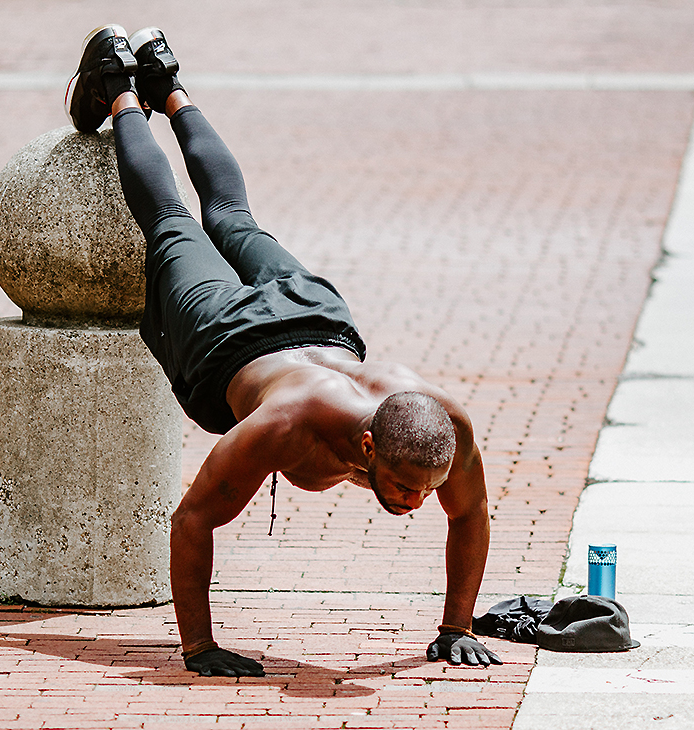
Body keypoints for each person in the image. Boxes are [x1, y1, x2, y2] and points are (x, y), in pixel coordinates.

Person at [65, 24, 501, 677]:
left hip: (316, 317)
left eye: (424, 491)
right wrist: (199, 648)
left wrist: (455, 627)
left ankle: (170, 83)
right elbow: (191, 522)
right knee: (173, 221)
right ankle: (121, 83)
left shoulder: (445, 427)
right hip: (225, 333)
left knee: (235, 219)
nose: (415, 504)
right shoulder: (280, 428)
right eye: (408, 491)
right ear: (368, 447)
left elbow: (470, 513)